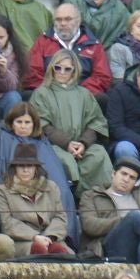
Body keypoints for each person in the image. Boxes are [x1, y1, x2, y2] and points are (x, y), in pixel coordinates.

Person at [30, 48, 115, 193]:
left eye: (67, 69)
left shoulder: (84, 94)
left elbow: (96, 122)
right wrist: (67, 143)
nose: (62, 72)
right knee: (65, 162)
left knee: (99, 154)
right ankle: (71, 198)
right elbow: (42, 125)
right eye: (58, 68)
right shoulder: (41, 93)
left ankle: (95, 199)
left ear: (74, 71)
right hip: (53, 145)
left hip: (82, 147)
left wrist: (83, 143)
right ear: (52, 68)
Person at [78, 157, 140, 263]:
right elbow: (89, 226)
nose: (126, 179)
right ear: (113, 174)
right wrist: (125, 220)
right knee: (135, 216)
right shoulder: (91, 196)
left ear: (135, 182)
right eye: (123, 174)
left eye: (132, 178)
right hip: (109, 247)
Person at [0, 142, 75, 258]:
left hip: (52, 238)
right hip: (22, 241)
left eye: (30, 165)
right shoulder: (3, 190)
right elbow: (7, 223)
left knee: (59, 251)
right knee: (39, 250)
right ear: (15, 168)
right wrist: (35, 237)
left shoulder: (51, 187)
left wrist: (49, 237)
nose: (25, 170)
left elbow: (60, 217)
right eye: (21, 166)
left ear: (36, 168)